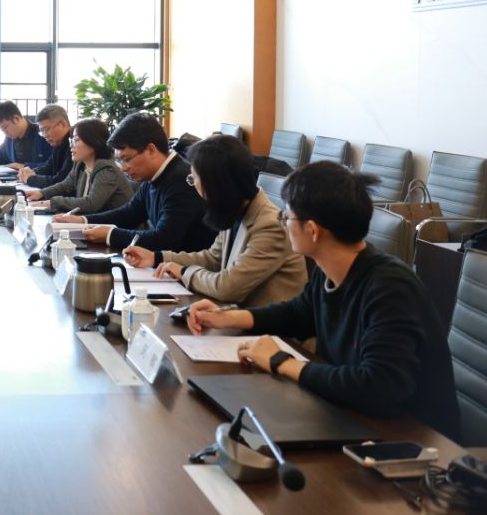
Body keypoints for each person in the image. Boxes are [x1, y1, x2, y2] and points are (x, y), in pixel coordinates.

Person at [187, 161, 459, 437]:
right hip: (347, 416)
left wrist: (281, 362)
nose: (283, 223)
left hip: (411, 440)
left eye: (287, 217)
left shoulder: (390, 289)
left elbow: (379, 387)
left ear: (313, 231)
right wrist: (228, 317)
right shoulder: (329, 267)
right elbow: (299, 314)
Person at [123, 134, 307, 307]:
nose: (194, 187)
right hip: (238, 317)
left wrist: (184, 272)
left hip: (270, 329)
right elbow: (213, 258)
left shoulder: (270, 226)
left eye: (193, 179)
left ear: (216, 184)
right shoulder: (235, 208)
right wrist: (156, 257)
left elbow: (228, 287)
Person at [68, 112, 214, 253]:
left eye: (126, 159)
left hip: (188, 267)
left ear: (150, 150)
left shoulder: (182, 180)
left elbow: (164, 240)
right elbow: (129, 214)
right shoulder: (154, 175)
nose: (123, 168)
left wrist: (110, 234)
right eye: (119, 161)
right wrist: (83, 220)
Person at [25, 118, 131, 215]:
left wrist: (53, 202)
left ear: (93, 143)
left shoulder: (107, 169)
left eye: (76, 140)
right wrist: (41, 193)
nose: (71, 145)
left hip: (117, 226)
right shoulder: (80, 164)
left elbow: (91, 203)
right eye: (71, 140)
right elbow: (65, 186)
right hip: (91, 222)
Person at [0, 100, 52, 169]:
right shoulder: (10, 138)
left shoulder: (44, 135)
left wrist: (25, 166)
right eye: (2, 130)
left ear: (16, 119)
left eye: (5, 128)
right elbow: (0, 155)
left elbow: (54, 164)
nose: (5, 133)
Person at [17, 104, 73, 187]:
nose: (45, 136)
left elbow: (61, 181)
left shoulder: (74, 144)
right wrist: (31, 172)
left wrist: (30, 179)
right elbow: (49, 167)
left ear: (63, 124)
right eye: (42, 131)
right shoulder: (59, 143)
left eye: (46, 130)